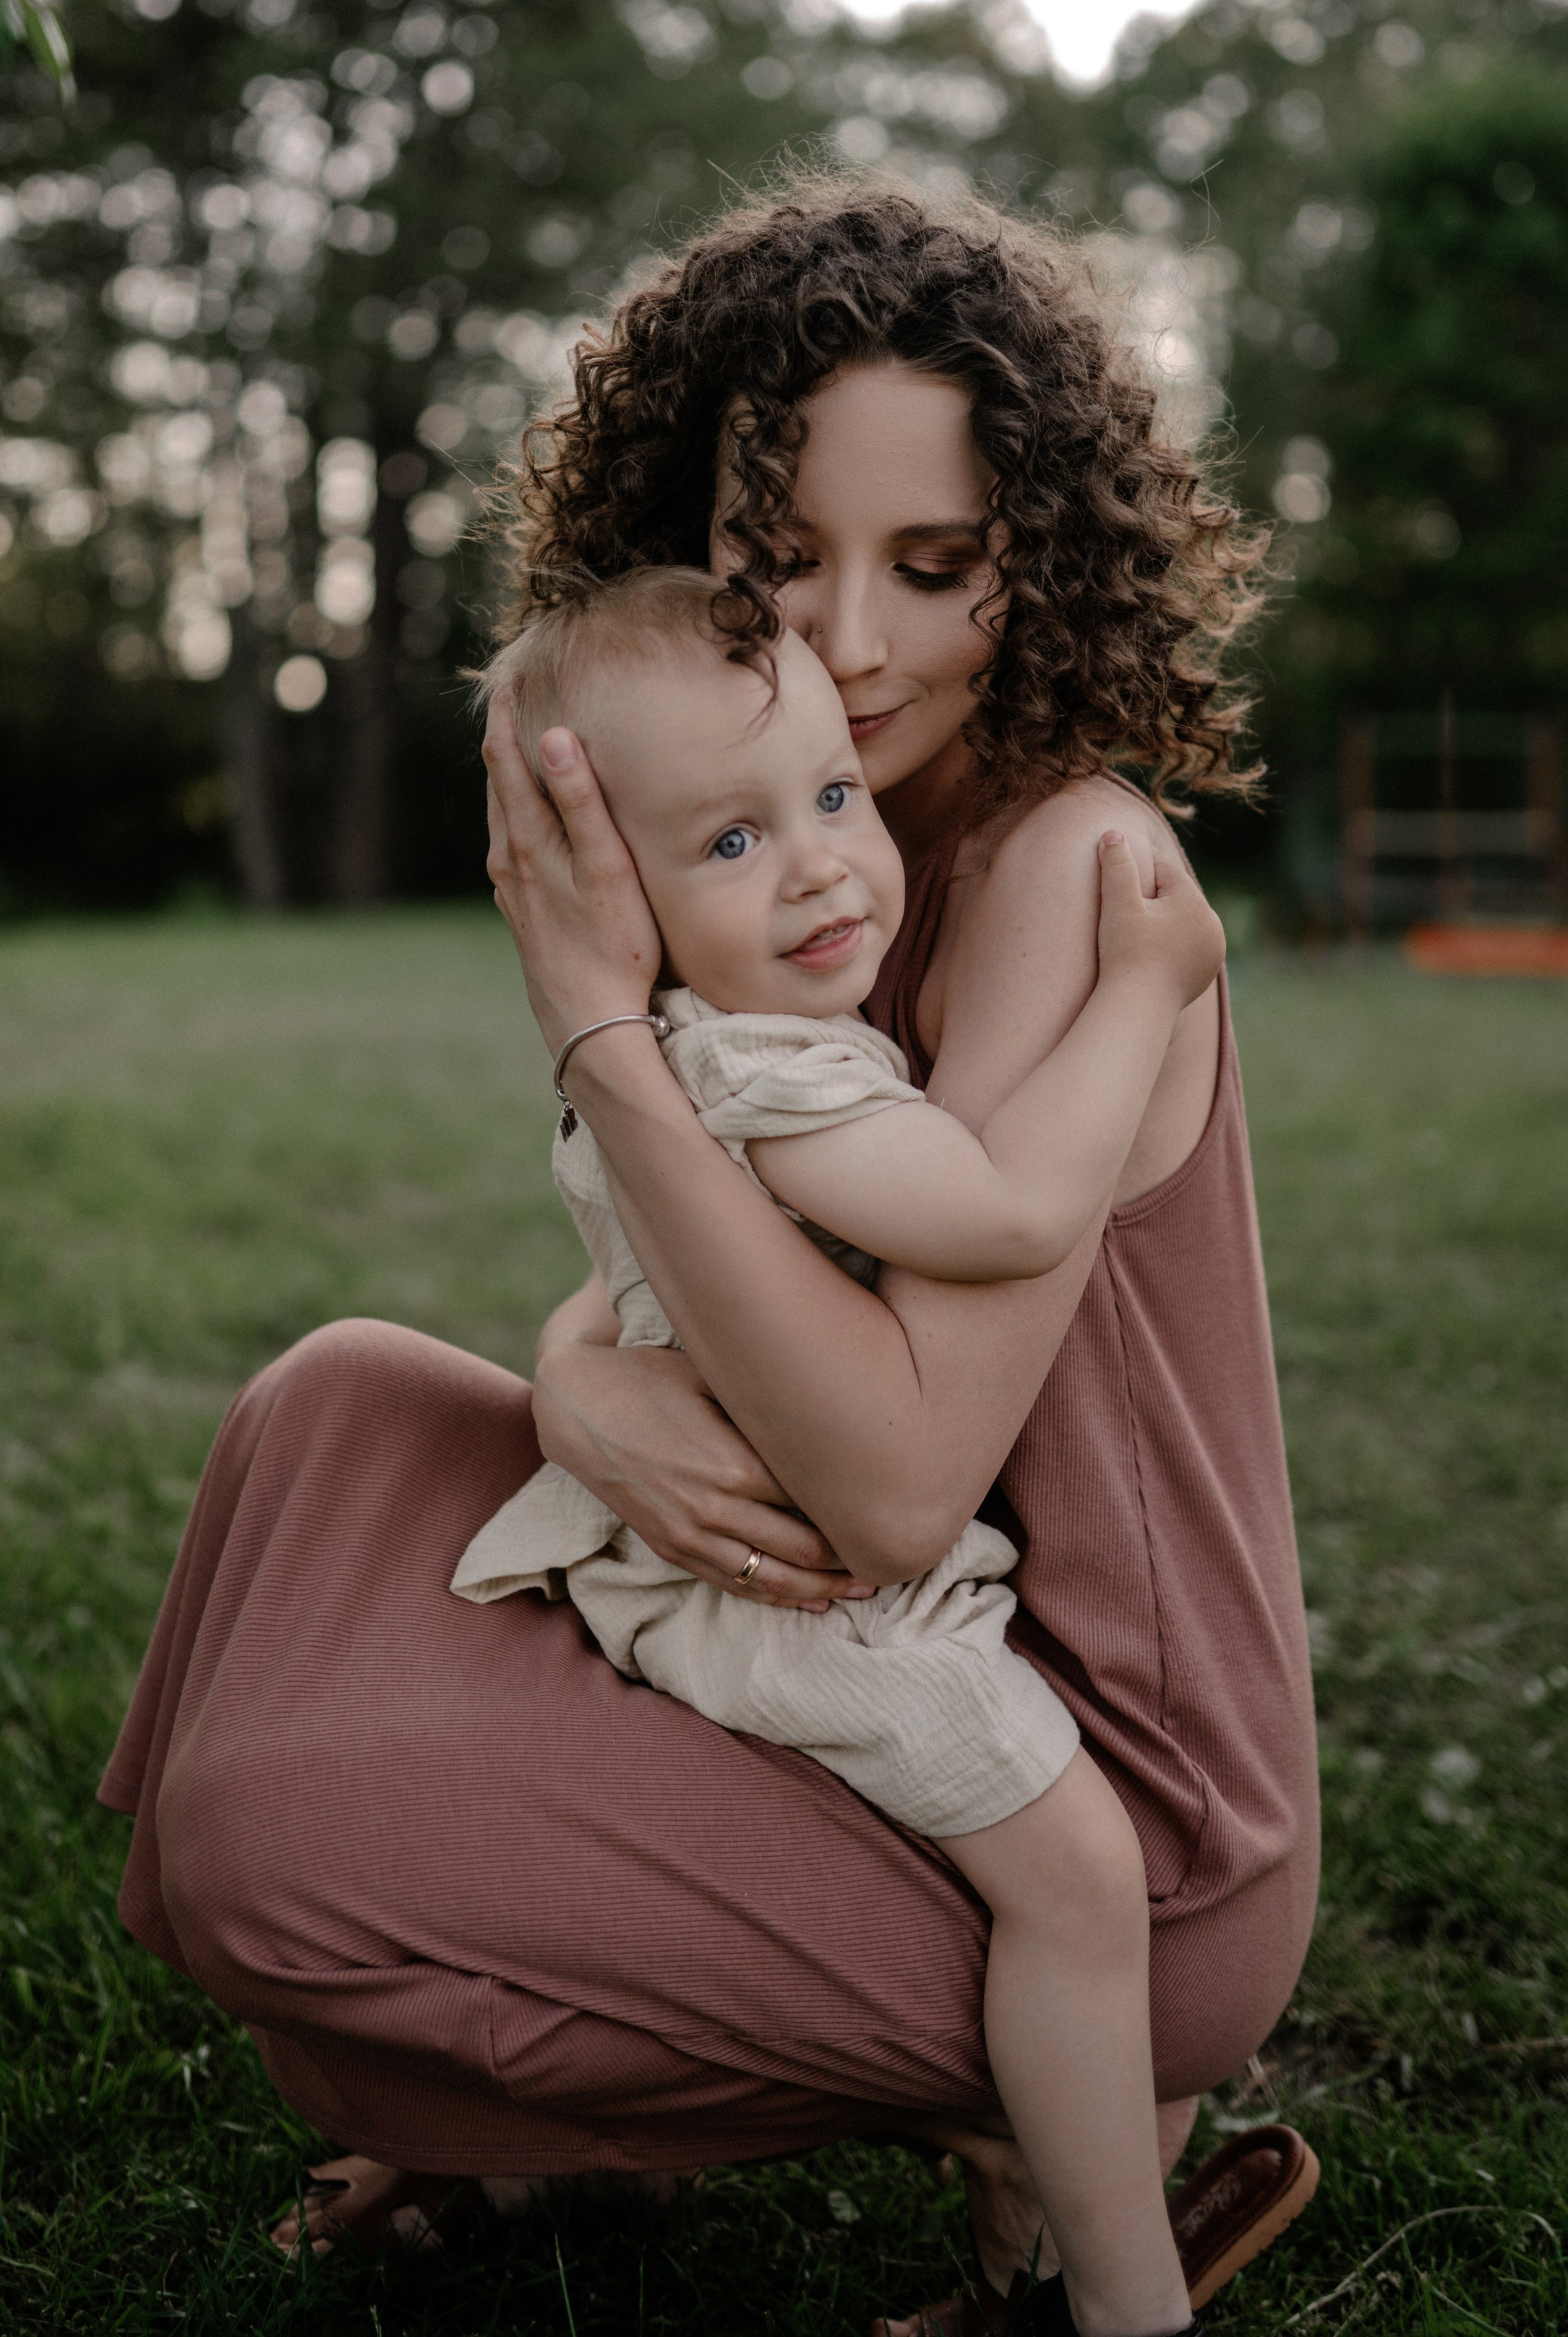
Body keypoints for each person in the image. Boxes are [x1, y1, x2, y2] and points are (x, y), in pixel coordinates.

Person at [99, 181, 1321, 2333]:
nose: (853, 640)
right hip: (885, 1663)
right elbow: (700, 1279)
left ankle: (1006, 2146)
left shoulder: (1071, 860)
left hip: (1109, 1813)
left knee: (273, 1842)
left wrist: (591, 1018)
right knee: (336, 1414)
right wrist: (579, 1365)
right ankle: (563, 2087)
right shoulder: (795, 837)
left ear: (1044, 554)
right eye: (784, 563)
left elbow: (887, 1482)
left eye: (933, 565)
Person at [455, 568, 1227, 2337]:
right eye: (726, 842)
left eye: (823, 794)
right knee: (1079, 1878)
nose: (815, 861)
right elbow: (1014, 1206)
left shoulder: (669, 1059)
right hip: (807, 1595)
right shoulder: (769, 1077)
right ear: (613, 903)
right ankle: (1123, 2297)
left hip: (720, 1560)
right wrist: (1147, 988)